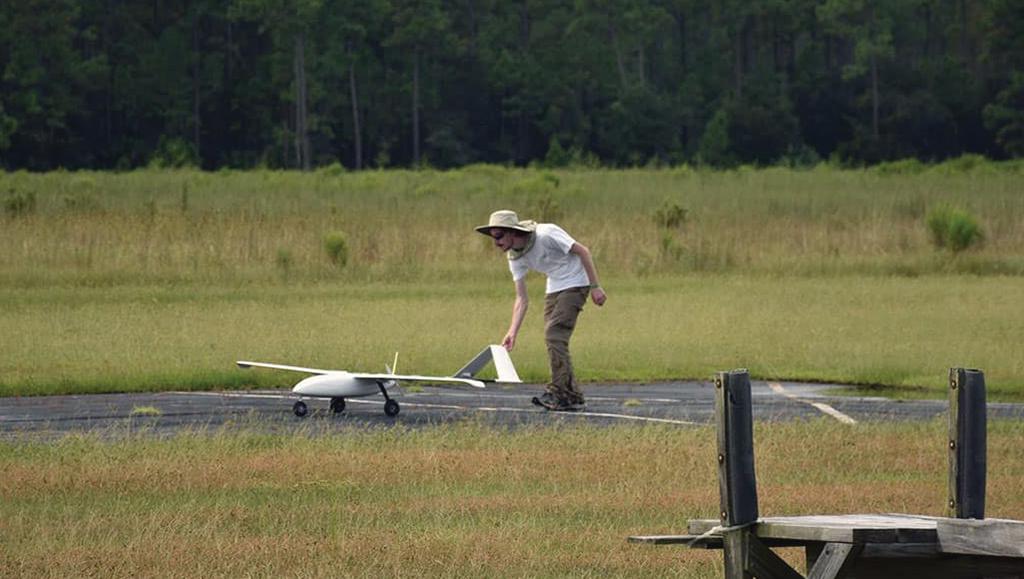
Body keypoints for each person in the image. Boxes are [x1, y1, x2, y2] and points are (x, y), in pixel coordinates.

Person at [475, 210, 607, 411]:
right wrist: (512, 331)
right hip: (554, 287)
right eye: (492, 237)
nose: (496, 242)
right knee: (554, 340)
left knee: (554, 335)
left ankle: (559, 392)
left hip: (577, 281)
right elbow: (521, 298)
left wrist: (595, 286)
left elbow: (583, 251)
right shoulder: (515, 257)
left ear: (512, 232)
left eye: (499, 236)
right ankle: (572, 396)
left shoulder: (546, 234)